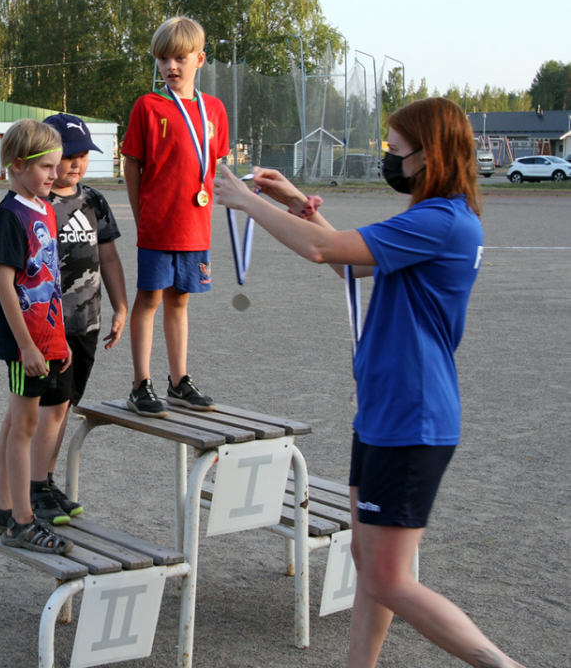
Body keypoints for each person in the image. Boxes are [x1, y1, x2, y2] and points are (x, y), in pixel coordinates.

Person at [213, 97, 525, 668]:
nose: (391, 160)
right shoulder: (434, 220)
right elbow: (348, 262)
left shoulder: (440, 221)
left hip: (413, 416)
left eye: (397, 151)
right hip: (387, 412)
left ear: (430, 155)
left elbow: (321, 251)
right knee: (373, 566)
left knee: (389, 579)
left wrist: (246, 202)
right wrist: (295, 204)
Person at [121, 16, 230, 417]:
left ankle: (179, 381)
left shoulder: (214, 110)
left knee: (180, 301)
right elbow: (132, 165)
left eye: (180, 58)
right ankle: (140, 384)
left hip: (194, 227)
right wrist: (140, 215)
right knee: (148, 298)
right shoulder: (148, 106)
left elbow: (215, 168)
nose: (171, 66)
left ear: (199, 59)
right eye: (163, 59)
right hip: (157, 224)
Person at [25, 113, 130, 524]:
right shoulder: (39, 205)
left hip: (86, 323)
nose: (75, 164)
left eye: (83, 155)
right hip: (51, 329)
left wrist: (121, 307)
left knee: (66, 405)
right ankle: (35, 490)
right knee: (49, 408)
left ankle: (45, 480)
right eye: (68, 155)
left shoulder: (93, 201)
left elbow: (109, 257)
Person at [0, 118, 73, 554]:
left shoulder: (46, 208)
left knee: (15, 420)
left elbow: (50, 278)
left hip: (48, 336)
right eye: (47, 168)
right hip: (26, 345)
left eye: (57, 167)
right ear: (19, 165)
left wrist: (59, 338)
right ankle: (21, 521)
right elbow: (6, 284)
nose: (55, 175)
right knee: (25, 426)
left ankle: (1, 507)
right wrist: (27, 345)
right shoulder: (10, 214)